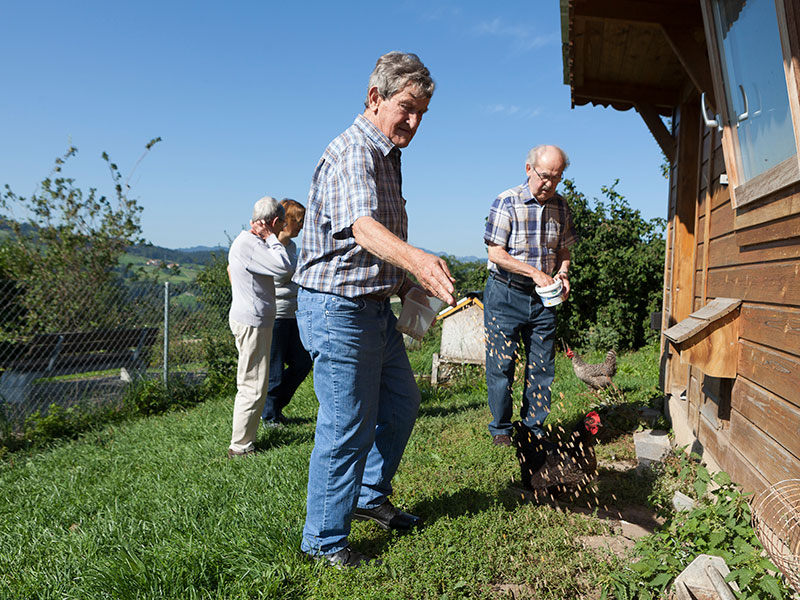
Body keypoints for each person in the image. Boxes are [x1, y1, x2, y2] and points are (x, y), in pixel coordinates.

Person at [293, 51, 455, 568]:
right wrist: (419, 260)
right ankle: (323, 542)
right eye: (406, 107)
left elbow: (364, 244)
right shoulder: (353, 153)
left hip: (374, 308)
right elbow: (362, 227)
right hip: (336, 309)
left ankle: (367, 496)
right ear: (375, 98)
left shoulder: (386, 155)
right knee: (346, 427)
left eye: (422, 114)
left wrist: (405, 283)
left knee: (402, 404)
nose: (413, 121)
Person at [483, 145, 578, 448]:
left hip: (543, 300)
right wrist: (534, 272)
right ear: (529, 170)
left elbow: (563, 249)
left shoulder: (562, 207)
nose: (550, 183)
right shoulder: (506, 202)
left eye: (557, 177)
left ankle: (533, 427)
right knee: (501, 365)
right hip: (505, 294)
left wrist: (562, 273)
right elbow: (496, 254)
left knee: (542, 365)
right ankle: (500, 428)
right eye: (545, 176)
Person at [227, 196, 291, 458]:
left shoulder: (251, 243)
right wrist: (272, 238)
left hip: (254, 320)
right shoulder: (252, 244)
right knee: (252, 384)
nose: (282, 230)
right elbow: (285, 267)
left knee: (254, 382)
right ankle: (240, 447)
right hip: (252, 322)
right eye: (281, 225)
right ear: (273, 222)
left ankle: (245, 441)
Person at [261, 199, 312, 427]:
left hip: (293, 314)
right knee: (274, 370)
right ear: (286, 221)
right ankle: (269, 416)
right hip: (275, 315)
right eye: (299, 221)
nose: (302, 225)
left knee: (302, 362)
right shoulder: (268, 248)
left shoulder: (291, 247)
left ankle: (273, 406)